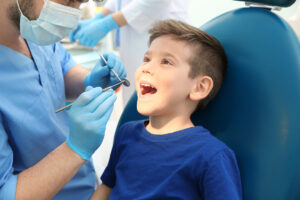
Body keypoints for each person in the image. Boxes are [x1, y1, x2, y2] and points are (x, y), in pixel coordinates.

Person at [90, 19, 242, 199]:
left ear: (199, 87)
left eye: (166, 62)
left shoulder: (211, 156)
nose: (146, 68)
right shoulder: (126, 134)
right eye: (147, 59)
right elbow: (107, 188)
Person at [0, 0, 127, 199]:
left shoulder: (32, 26)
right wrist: (75, 149)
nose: (73, 13)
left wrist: (88, 80)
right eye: (68, 0)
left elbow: (61, 68)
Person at [69, 0, 190, 104]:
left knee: (159, 101)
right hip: (135, 38)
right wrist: (99, 17)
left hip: (161, 33)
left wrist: (107, 23)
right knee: (136, 98)